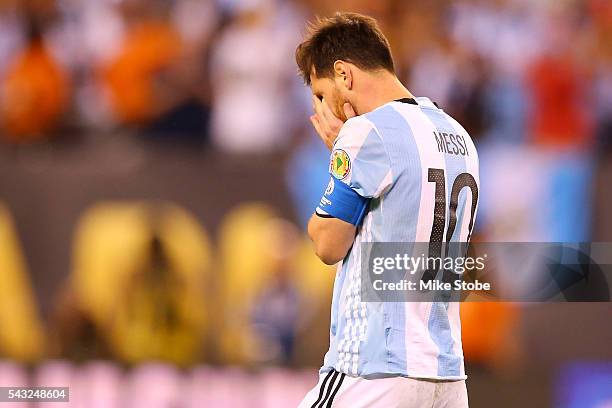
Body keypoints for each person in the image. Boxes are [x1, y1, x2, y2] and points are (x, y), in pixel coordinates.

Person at [295, 12, 479, 407]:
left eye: (322, 95)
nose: (324, 111)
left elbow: (327, 245)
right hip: (446, 375)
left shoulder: (365, 133)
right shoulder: (460, 136)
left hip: (374, 369)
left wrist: (340, 155)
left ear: (344, 74)